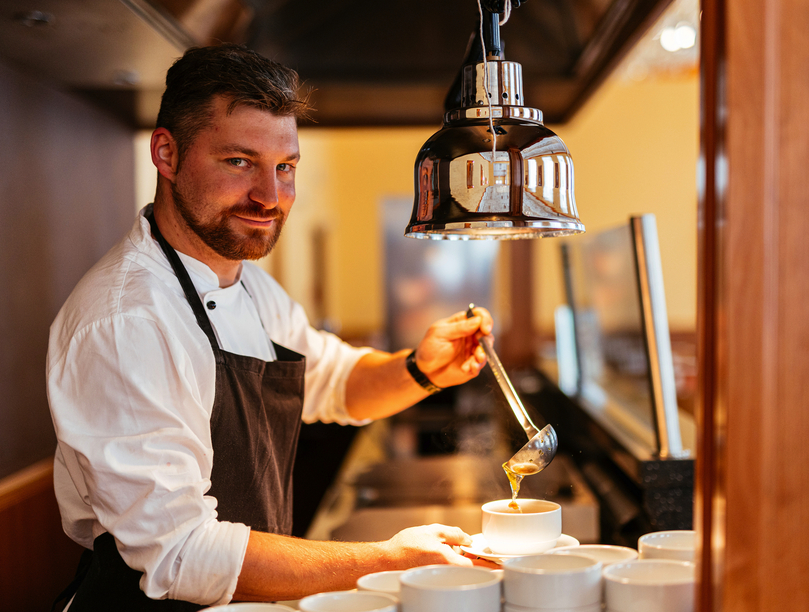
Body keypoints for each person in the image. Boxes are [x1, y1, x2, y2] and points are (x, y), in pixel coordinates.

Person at [47, 43, 495, 611]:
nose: (270, 196)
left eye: (284, 167)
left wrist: (421, 368)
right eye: (239, 162)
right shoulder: (126, 320)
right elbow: (179, 553)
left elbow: (333, 380)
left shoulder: (250, 286)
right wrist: (390, 560)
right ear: (166, 153)